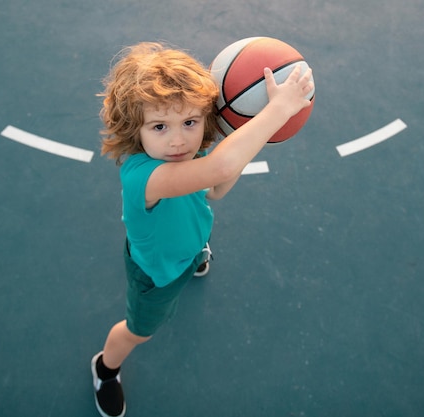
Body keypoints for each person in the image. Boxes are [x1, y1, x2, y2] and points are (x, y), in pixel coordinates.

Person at [91, 42, 314, 417]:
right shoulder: (143, 176)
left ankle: (198, 258)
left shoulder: (187, 156)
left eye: (189, 122)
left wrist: (245, 136)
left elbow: (216, 188)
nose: (178, 140)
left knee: (196, 235)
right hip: (157, 274)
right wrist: (277, 109)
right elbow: (221, 170)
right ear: (135, 128)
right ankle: (105, 369)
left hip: (190, 239)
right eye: (160, 126)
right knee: (138, 331)